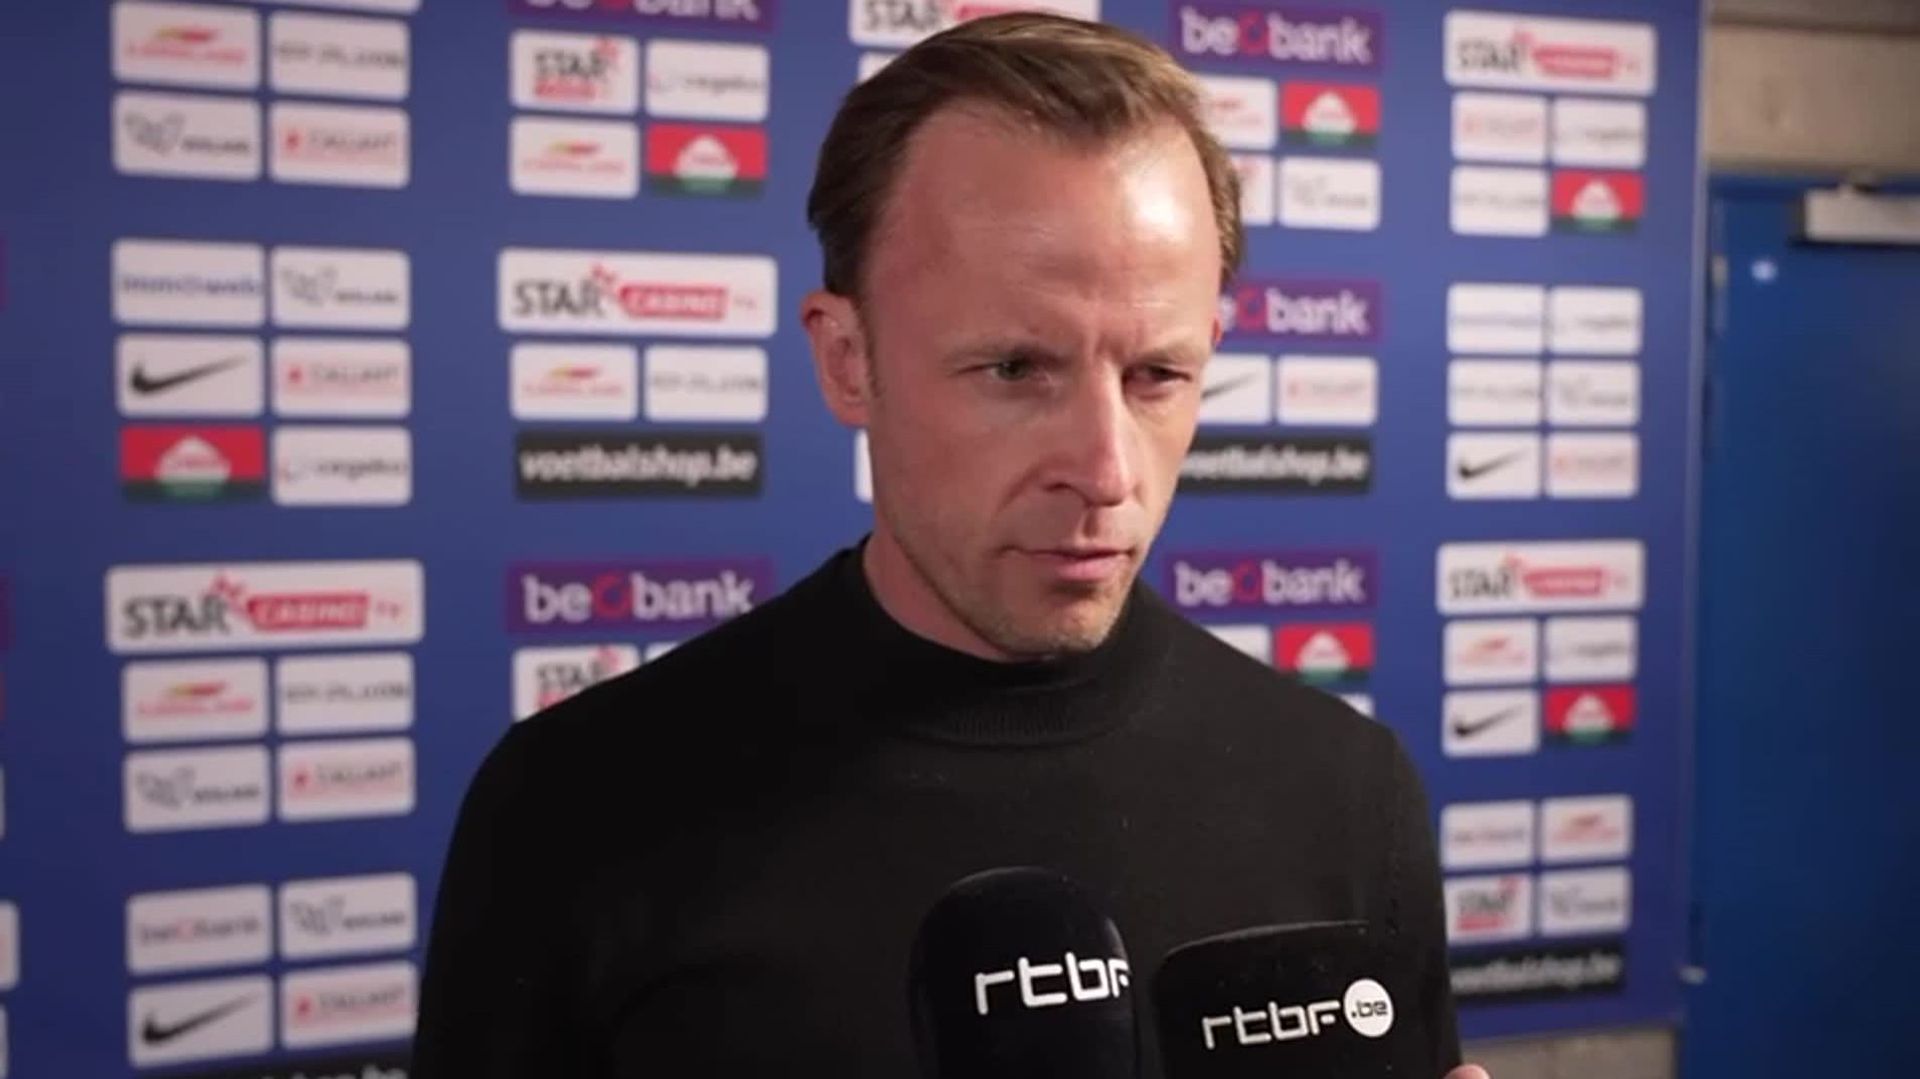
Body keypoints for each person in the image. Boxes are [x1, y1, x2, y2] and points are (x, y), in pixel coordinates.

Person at [415, 14, 1489, 1078]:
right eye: (1015, 369)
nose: (1106, 469)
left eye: (1156, 375)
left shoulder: (1349, 792)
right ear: (848, 359)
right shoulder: (572, 810)